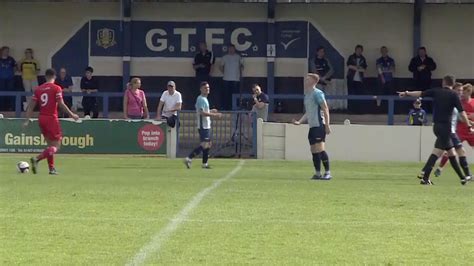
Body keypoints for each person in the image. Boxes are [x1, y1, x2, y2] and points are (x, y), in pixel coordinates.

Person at [398, 75, 473, 185]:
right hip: (446, 128)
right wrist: (469, 126)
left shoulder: (437, 91)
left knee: (451, 153)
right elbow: (462, 113)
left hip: (436, 126)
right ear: (453, 84)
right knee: (438, 152)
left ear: (443, 82)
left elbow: (421, 93)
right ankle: (425, 176)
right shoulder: (453, 95)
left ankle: (462, 178)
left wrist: (407, 93)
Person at [23, 68, 79, 175]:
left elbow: (30, 107)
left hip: (42, 118)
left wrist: (27, 120)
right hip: (51, 118)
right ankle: (37, 159)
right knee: (56, 146)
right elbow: (61, 104)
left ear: (45, 77)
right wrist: (72, 115)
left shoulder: (38, 89)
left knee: (49, 146)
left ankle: (51, 169)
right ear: (55, 77)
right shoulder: (57, 88)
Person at [293, 73, 332, 180]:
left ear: (314, 81)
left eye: (308, 79)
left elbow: (325, 108)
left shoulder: (317, 93)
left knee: (320, 149)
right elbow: (308, 112)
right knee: (313, 150)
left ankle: (328, 172)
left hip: (319, 124)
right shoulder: (307, 95)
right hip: (312, 126)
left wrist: (327, 125)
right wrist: (300, 122)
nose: (305, 81)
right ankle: (318, 173)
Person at [434, 83, 474, 177]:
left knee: (456, 151)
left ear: (469, 92)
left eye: (464, 92)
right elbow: (459, 117)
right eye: (461, 92)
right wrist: (470, 122)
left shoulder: (473, 102)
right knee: (450, 151)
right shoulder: (458, 102)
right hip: (460, 131)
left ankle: (467, 175)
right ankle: (440, 168)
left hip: (471, 131)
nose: (462, 94)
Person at [184, 81, 222, 169]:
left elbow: (204, 111)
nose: (207, 89)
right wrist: (214, 115)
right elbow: (202, 113)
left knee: (208, 144)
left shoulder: (204, 99)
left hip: (206, 125)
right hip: (203, 126)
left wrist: (211, 111)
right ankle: (189, 158)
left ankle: (204, 163)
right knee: (205, 144)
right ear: (201, 89)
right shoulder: (201, 99)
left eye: (208, 88)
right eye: (205, 88)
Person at [220, 44, 243, 110]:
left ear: (234, 49)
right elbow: (221, 66)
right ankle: (225, 108)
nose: (231, 50)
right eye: (230, 48)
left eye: (232, 48)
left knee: (234, 94)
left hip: (235, 79)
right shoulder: (225, 57)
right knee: (226, 94)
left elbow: (242, 67)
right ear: (228, 49)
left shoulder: (238, 57)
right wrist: (225, 73)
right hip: (226, 79)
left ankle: (234, 108)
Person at [346, 45, 367, 114]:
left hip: (360, 80)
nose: (359, 51)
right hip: (351, 79)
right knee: (351, 94)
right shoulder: (351, 57)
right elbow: (349, 65)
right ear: (355, 50)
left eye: (360, 50)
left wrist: (358, 68)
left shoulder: (363, 58)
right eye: (358, 50)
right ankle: (350, 110)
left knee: (359, 95)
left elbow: (364, 69)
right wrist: (357, 68)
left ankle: (358, 110)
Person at [0, 46, 16, 111]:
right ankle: (2, 108)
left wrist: (12, 74)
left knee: (10, 93)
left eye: (8, 51)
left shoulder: (11, 59)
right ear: (2, 51)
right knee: (2, 93)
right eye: (5, 50)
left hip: (10, 79)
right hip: (1, 79)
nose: (7, 52)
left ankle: (10, 107)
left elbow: (15, 67)